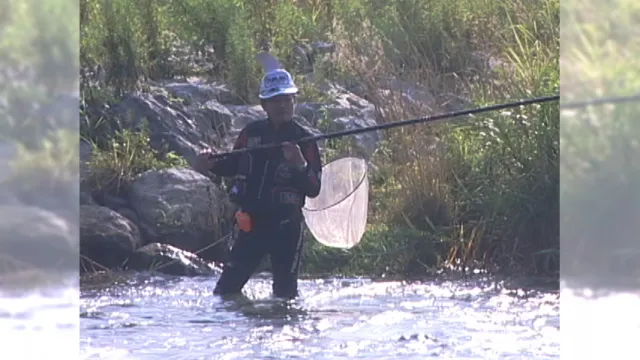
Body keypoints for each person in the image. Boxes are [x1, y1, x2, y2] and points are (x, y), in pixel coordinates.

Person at [192, 67, 323, 300]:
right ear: (264, 104)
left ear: (294, 101)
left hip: (286, 228)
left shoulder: (306, 140)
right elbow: (232, 165)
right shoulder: (251, 133)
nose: (282, 105)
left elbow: (314, 188)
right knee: (225, 291)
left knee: (285, 296)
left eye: (286, 99)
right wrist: (211, 163)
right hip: (251, 226)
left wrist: (299, 164)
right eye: (275, 100)